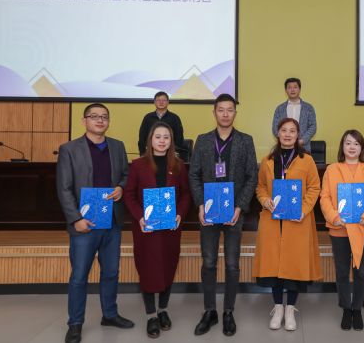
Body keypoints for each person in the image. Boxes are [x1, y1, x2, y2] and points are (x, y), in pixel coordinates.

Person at [56, 103, 134, 343]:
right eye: (94, 116)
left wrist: (121, 188)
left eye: (104, 117)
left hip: (111, 221)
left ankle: (109, 314)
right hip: (84, 224)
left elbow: (126, 175)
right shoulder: (69, 149)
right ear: (84, 121)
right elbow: (63, 188)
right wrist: (76, 219)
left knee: (111, 272)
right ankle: (75, 323)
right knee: (79, 276)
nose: (100, 120)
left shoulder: (118, 146)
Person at [189, 94, 258, 336]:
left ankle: (228, 311)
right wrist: (200, 205)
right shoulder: (203, 140)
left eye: (230, 110)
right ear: (214, 112)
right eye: (221, 110)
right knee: (208, 262)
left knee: (232, 264)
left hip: (233, 213)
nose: (226, 114)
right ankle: (210, 311)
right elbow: (194, 175)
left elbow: (252, 176)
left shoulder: (246, 141)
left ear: (235, 113)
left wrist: (239, 207)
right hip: (208, 211)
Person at [123, 122, 192, 338]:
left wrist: (180, 213)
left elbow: (186, 194)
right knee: (147, 268)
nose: (162, 141)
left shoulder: (179, 165)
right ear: (150, 140)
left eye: (166, 137)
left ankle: (163, 310)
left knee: (168, 266)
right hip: (147, 228)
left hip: (171, 228)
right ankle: (151, 315)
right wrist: (140, 217)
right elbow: (129, 195)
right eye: (158, 137)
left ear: (171, 141)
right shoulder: (138, 165)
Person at [253, 118, 322, 331]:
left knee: (294, 266)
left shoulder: (306, 160)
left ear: (298, 135)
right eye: (284, 130)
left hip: (297, 220)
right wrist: (265, 200)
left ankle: (290, 309)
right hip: (272, 221)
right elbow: (260, 187)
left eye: (292, 131)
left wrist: (304, 209)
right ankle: (278, 308)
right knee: (273, 267)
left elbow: (314, 187)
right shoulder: (267, 160)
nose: (288, 134)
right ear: (278, 133)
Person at [319, 130, 364, 331]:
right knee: (342, 271)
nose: (352, 147)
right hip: (339, 228)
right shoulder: (332, 169)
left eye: (356, 143)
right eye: (348, 143)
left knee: (361, 271)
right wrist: (334, 217)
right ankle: (346, 308)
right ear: (342, 146)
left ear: (362, 147)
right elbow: (324, 197)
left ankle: (357, 308)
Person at [271, 77, 317, 153]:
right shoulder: (280, 108)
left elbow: (313, 126)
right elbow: (275, 127)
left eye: (295, 87)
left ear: (299, 89)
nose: (292, 90)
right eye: (289, 87)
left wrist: (302, 141)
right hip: (283, 147)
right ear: (286, 90)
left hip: (303, 147)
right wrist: (285, 140)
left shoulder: (308, 108)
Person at [138, 92, 186, 158]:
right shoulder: (148, 117)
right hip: (150, 153)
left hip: (170, 154)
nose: (161, 102)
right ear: (154, 102)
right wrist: (142, 153)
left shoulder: (174, 118)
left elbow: (179, 137)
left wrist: (176, 152)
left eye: (164, 100)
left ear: (168, 102)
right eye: (158, 100)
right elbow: (142, 137)